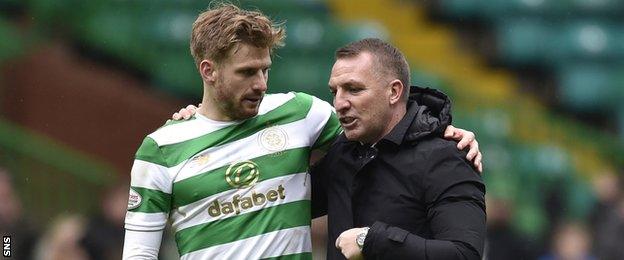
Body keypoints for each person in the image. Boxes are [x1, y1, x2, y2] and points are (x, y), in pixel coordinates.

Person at [128, 4, 482, 259]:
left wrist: (441, 129)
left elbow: (388, 130)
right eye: (247, 72)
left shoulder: (300, 113)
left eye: (265, 69)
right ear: (209, 71)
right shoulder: (162, 149)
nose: (261, 84)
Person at [311, 38, 486, 259]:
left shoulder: (445, 158)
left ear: (394, 92)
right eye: (334, 92)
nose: (339, 103)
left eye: (353, 89)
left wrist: (371, 240)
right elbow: (283, 201)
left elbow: (464, 254)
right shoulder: (341, 153)